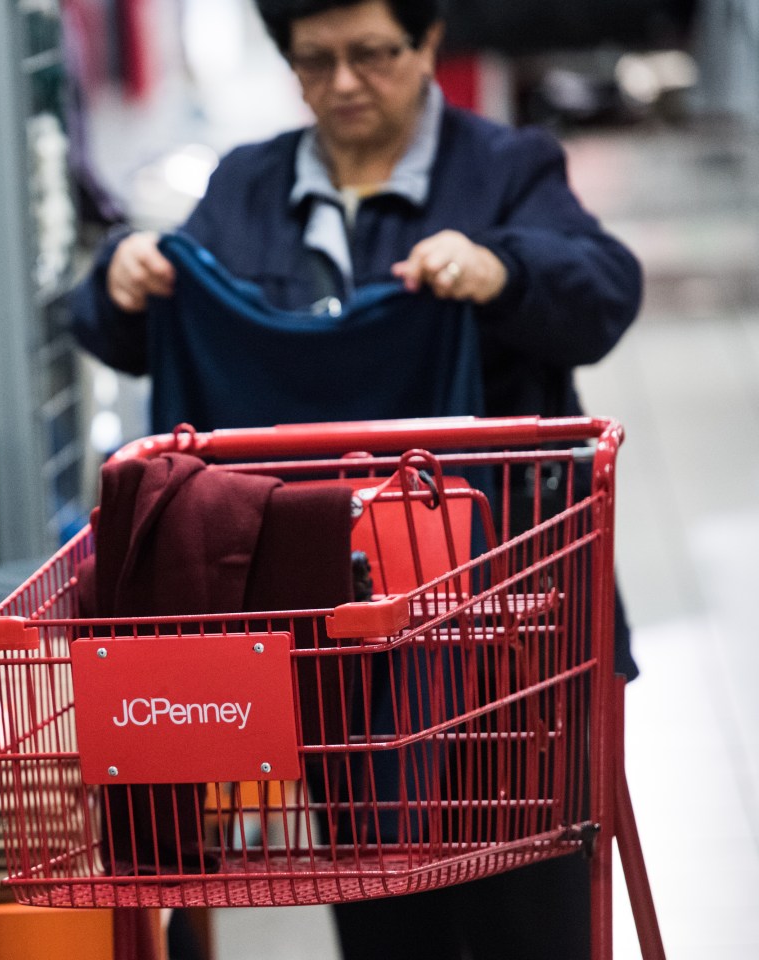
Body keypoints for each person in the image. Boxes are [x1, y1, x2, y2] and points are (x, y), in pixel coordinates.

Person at [69, 1, 642, 958]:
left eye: (372, 55)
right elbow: (125, 329)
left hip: (512, 625)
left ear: (426, 45)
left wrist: (501, 268)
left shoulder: (505, 170)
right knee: (385, 902)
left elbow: (604, 289)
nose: (343, 84)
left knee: (530, 905)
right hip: (349, 639)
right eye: (315, 60)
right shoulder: (248, 186)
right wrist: (120, 278)